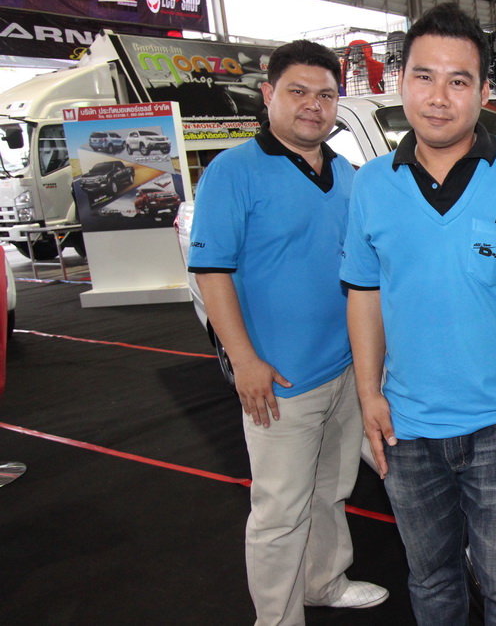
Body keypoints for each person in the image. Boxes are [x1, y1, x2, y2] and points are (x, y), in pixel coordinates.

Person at [341, 3, 496, 625]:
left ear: (483, 92)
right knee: (432, 582)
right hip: (408, 425)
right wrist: (368, 394)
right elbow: (364, 292)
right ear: (402, 82)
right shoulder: (371, 185)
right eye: (424, 76)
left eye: (458, 80)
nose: (439, 97)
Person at [187, 39, 387, 625]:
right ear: (268, 95)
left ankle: (323, 582)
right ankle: (276, 618)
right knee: (279, 509)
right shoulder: (232, 172)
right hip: (280, 379)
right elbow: (212, 272)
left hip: (347, 369)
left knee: (331, 490)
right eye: (298, 91)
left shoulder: (346, 173)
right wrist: (244, 360)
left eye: (325, 95)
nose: (313, 105)